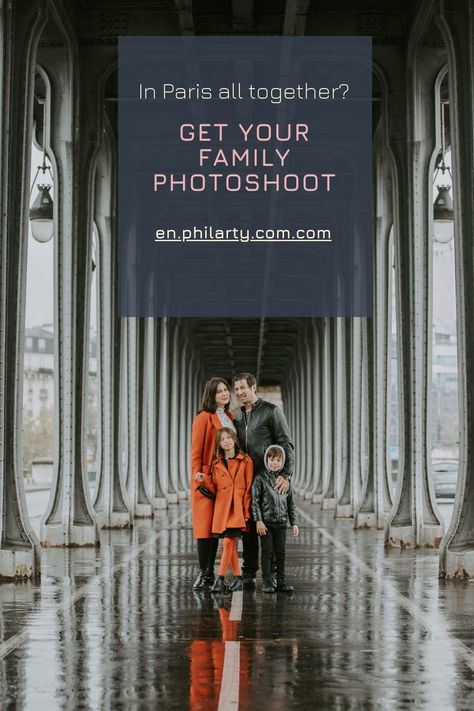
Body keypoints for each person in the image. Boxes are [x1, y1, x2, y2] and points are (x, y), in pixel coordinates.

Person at [232, 372, 295, 589]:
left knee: (270, 527)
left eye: (243, 387)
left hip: (269, 479)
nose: (239, 392)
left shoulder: (271, 411)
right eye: (236, 389)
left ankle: (274, 574)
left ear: (254, 387)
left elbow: (286, 443)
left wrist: (286, 475)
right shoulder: (237, 418)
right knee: (248, 527)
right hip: (246, 479)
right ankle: (249, 573)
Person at [195, 428, 253, 593]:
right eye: (222, 439)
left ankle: (220, 579)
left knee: (228, 543)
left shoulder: (246, 460)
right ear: (219, 444)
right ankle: (238, 579)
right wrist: (204, 479)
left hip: (238, 509)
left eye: (229, 437)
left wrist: (247, 512)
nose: (226, 441)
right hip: (222, 509)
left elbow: (248, 488)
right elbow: (214, 488)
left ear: (234, 439)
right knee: (230, 545)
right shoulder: (216, 463)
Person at [190, 378, 235, 590]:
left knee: (216, 528)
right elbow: (196, 453)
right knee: (203, 529)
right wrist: (197, 480)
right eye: (219, 392)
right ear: (211, 395)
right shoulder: (203, 418)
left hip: (226, 480)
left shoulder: (230, 417)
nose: (225, 394)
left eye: (226, 390)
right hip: (206, 480)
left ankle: (210, 572)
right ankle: (204, 574)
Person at [251, 445, 299, 593]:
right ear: (266, 460)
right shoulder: (260, 479)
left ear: (282, 462)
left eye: (278, 460)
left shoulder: (285, 482)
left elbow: (291, 504)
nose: (275, 463)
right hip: (266, 523)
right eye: (272, 459)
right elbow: (255, 501)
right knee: (267, 552)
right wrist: (258, 520)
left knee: (281, 552)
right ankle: (267, 582)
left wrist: (294, 523)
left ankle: (281, 581)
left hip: (282, 522)